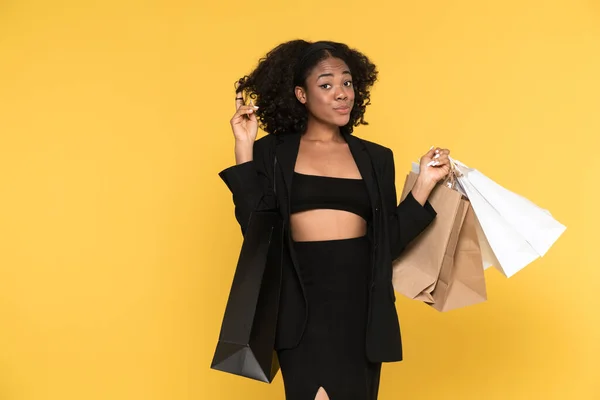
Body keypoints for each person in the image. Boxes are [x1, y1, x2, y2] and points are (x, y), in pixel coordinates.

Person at [218, 40, 451, 400]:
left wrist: (424, 184)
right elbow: (256, 230)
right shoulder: (272, 153)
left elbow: (387, 243)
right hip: (299, 306)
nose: (341, 94)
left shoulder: (375, 157)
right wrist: (244, 148)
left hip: (359, 308)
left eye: (347, 83)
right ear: (300, 94)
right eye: (326, 85)